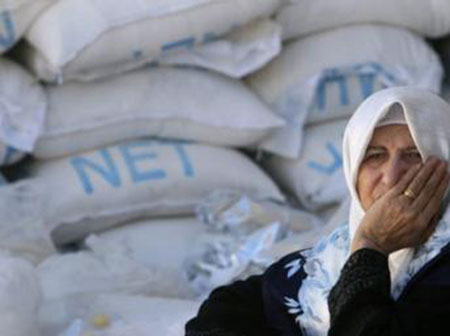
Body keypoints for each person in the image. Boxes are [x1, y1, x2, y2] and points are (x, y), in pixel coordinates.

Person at [185, 87, 450, 336]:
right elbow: (214, 319)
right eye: (374, 155)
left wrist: (372, 244)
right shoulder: (324, 264)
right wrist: (364, 249)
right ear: (352, 170)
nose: (391, 177)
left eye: (414, 155)